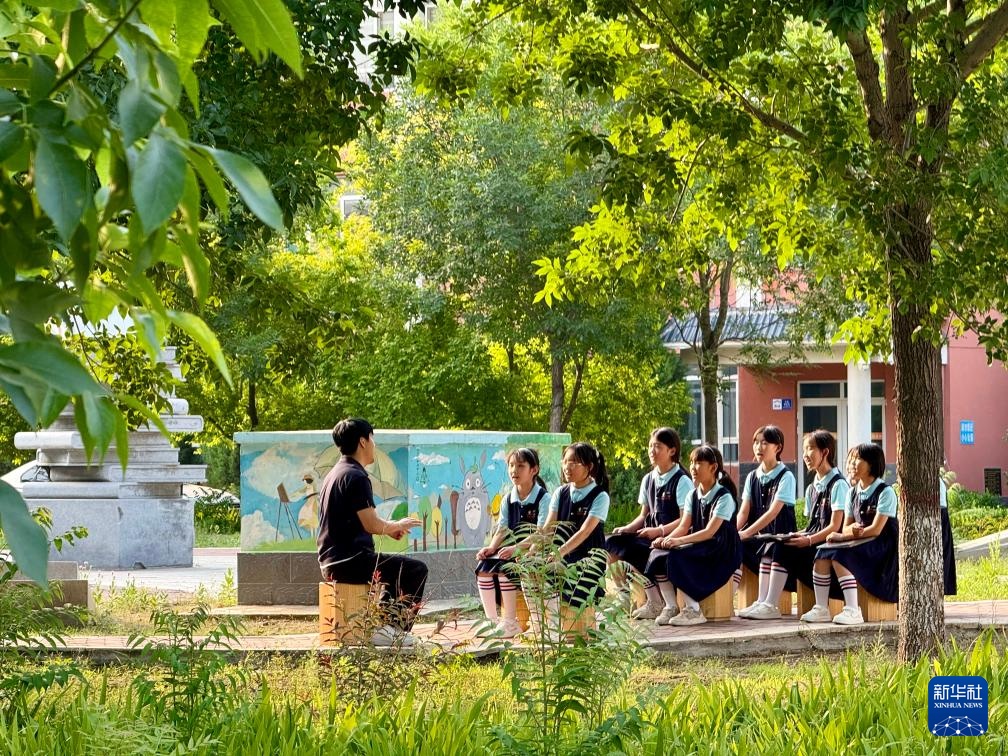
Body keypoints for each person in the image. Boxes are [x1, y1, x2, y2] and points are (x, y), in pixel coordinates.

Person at [317, 418, 426, 647]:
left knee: (394, 571)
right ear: (363, 441)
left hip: (332, 560)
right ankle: (391, 629)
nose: (375, 444)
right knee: (416, 570)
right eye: (373, 439)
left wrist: (388, 530)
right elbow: (371, 524)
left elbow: (359, 521)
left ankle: (384, 625)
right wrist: (396, 525)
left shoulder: (335, 474)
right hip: (349, 560)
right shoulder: (356, 477)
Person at [752, 430, 850, 620]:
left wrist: (809, 540)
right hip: (813, 541)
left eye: (810, 449)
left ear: (825, 452)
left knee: (783, 550)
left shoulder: (838, 485)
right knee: (776, 544)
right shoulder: (812, 487)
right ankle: (765, 602)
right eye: (804, 449)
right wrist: (796, 534)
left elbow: (835, 526)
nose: (805, 455)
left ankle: (771, 604)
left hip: (829, 545)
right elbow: (812, 524)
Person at [801, 442, 899, 625]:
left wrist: (845, 536)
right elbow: (846, 526)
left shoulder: (885, 492)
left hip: (881, 545)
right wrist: (848, 532)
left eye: (857, 459)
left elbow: (876, 529)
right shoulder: (852, 492)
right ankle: (821, 608)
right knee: (823, 553)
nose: (852, 464)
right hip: (860, 540)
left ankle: (853, 610)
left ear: (872, 463)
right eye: (851, 459)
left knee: (840, 554)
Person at [605, 427, 692, 624]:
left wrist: (659, 531)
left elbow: (685, 520)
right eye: (650, 446)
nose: (652, 451)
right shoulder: (648, 478)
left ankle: (656, 602)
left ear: (672, 450)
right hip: (648, 534)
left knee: (638, 551)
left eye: (658, 447)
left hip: (670, 536)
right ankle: (624, 597)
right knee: (611, 544)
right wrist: (628, 528)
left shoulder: (682, 481)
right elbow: (643, 515)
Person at [651, 444, 742, 626]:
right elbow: (684, 526)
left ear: (713, 467)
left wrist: (678, 542)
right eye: (692, 462)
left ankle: (693, 610)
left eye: (699, 462)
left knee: (678, 556)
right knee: (657, 554)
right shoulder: (692, 495)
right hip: (703, 544)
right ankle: (671, 606)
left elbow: (710, 532)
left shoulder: (724, 497)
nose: (692, 467)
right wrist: (666, 540)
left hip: (721, 548)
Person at [525, 442, 611, 635]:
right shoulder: (560, 492)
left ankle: (555, 630)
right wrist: (533, 550)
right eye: (565, 461)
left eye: (574, 462)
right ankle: (540, 626)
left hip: (588, 559)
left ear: (589, 467)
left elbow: (585, 532)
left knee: (560, 578)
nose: (567, 467)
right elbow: (548, 528)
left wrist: (560, 553)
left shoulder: (600, 496)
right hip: (560, 556)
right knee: (529, 569)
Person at [473, 448, 549, 638]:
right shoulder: (508, 498)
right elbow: (502, 528)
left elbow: (542, 533)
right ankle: (491, 622)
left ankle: (510, 622)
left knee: (507, 566)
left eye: (521, 466)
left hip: (534, 550)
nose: (514, 470)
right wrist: (491, 547)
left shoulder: (544, 498)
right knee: (484, 566)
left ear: (534, 470)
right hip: (511, 549)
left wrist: (516, 548)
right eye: (511, 465)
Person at [736, 425, 798, 618]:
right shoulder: (752, 477)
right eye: (756, 442)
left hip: (780, 533)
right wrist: (732, 532)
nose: (758, 447)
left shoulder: (786, 476)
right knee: (735, 547)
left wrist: (747, 533)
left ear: (777, 447)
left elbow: (773, 512)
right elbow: (744, 511)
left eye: (765, 442)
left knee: (773, 547)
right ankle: (760, 602)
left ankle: (770, 604)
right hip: (760, 535)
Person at [940, 475, 958, 595]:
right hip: (940, 513)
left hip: (939, 513)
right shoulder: (938, 479)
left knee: (943, 554)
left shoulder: (933, 478)